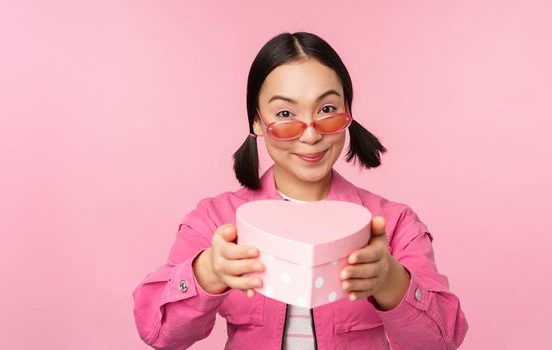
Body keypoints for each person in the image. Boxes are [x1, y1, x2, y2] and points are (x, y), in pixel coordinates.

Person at [131, 32, 468, 349]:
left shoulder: (393, 224)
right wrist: (209, 272)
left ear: (348, 112)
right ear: (257, 122)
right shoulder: (215, 221)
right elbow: (158, 333)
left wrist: (390, 281)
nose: (310, 135)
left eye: (326, 110)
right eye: (285, 114)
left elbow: (442, 341)